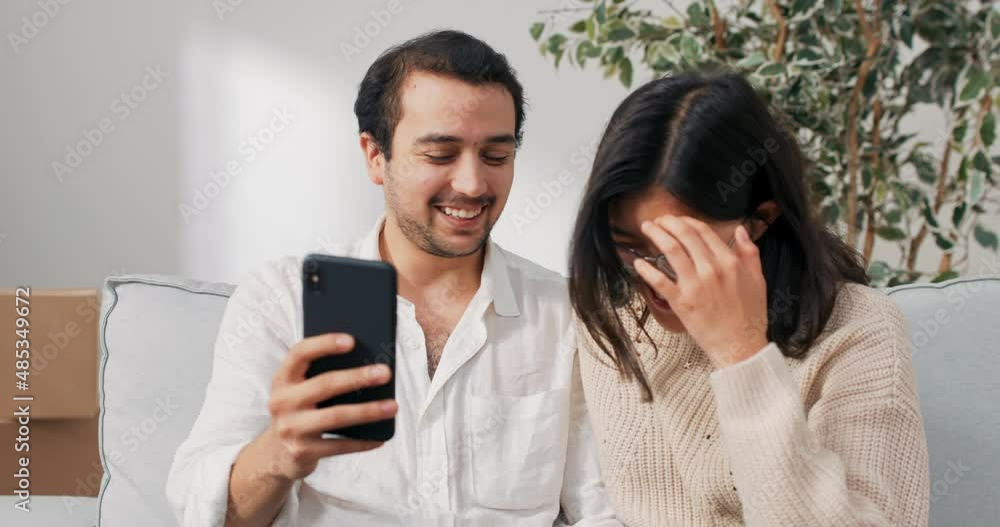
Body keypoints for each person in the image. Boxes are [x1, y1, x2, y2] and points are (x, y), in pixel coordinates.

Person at [166, 30, 620, 526]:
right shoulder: (278, 302)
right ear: (375, 155)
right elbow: (204, 513)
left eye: (496, 156)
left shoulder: (568, 314)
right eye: (440, 155)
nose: (471, 184)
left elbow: (600, 511)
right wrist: (279, 454)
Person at [568, 71, 930, 526]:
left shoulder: (858, 330)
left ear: (759, 221)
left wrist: (741, 354)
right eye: (630, 246)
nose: (651, 277)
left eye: (682, 249)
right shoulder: (611, 310)